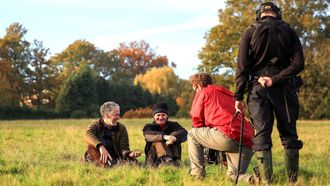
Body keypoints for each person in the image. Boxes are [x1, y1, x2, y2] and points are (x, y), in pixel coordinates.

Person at [235, 2, 304, 183]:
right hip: (285, 88)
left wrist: (238, 96)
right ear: (277, 14)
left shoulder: (249, 32)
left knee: (262, 135)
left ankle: (267, 182)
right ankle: (293, 181)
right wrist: (276, 79)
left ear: (260, 14)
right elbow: (298, 64)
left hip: (258, 89)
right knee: (289, 134)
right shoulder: (289, 31)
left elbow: (242, 67)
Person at [188, 72, 255, 182]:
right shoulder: (228, 93)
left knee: (192, 134)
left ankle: (197, 175)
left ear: (198, 86)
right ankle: (253, 179)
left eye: (195, 89)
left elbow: (196, 121)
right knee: (232, 177)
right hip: (248, 141)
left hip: (228, 135)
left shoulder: (203, 92)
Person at [84, 101, 141, 167]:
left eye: (119, 114)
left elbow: (124, 148)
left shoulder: (121, 128)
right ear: (107, 115)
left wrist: (129, 154)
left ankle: (113, 164)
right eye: (116, 115)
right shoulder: (96, 125)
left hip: (114, 157)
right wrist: (100, 146)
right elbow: (87, 135)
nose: (119, 117)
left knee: (134, 162)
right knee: (91, 146)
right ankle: (108, 165)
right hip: (98, 155)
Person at [143, 102, 188, 167]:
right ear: (154, 116)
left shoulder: (174, 125)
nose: (161, 117)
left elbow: (184, 132)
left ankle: (173, 162)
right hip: (153, 160)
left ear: (167, 116)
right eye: (158, 115)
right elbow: (147, 135)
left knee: (175, 136)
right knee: (158, 141)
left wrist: (174, 138)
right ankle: (168, 161)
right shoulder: (148, 127)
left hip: (174, 157)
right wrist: (165, 137)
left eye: (163, 115)